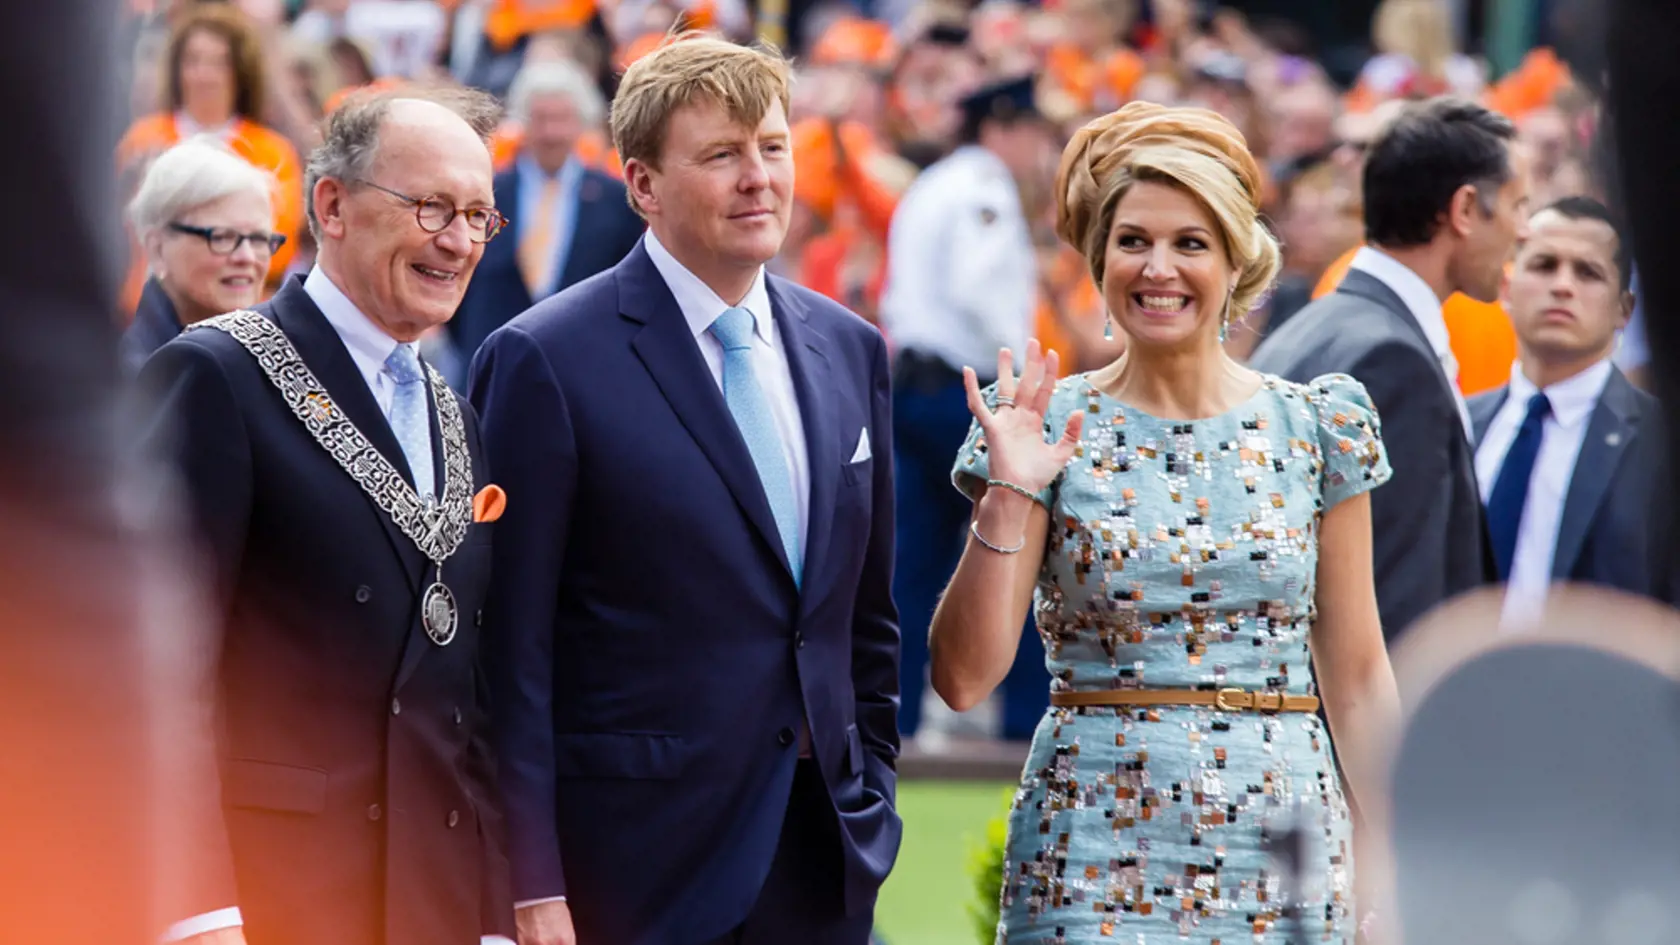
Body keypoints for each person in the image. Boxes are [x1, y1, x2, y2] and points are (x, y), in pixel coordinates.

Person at [930, 101, 1402, 943]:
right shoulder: (1042, 424)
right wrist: (1010, 489)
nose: (1158, 268)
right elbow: (964, 679)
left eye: (1190, 243)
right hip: (1091, 839)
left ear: (1235, 262)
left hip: (1286, 833)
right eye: (1133, 241)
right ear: (1100, 259)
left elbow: (1360, 675)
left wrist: (1404, 863)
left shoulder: (1318, 426)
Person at [469, 33, 900, 945]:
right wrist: (529, 879)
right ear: (641, 186)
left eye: (772, 148)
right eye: (721, 155)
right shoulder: (544, 358)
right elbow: (511, 652)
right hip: (631, 869)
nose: (759, 178)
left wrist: (873, 797)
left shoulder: (850, 347)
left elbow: (864, 616)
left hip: (822, 860)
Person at [135, 87, 516, 945]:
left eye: (477, 217)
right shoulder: (217, 376)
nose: (457, 241)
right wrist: (196, 910)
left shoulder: (456, 416)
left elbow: (465, 697)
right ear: (332, 206)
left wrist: (492, 920)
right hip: (276, 905)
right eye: (430, 207)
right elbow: (154, 673)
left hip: (434, 905)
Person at [1250, 97, 1529, 644]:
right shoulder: (1391, 361)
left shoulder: (1321, 326)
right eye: (1520, 205)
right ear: (1466, 209)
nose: (1524, 230)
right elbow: (1391, 610)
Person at [877, 74, 1056, 743]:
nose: (1038, 149)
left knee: (912, 565)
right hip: (972, 393)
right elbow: (979, 288)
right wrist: (1025, 365)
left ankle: (886, 731)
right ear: (1001, 127)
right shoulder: (984, 188)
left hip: (916, 387)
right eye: (1033, 133)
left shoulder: (934, 182)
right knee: (1023, 549)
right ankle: (1023, 728)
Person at [1470, 196, 1671, 619]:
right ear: (1506, 288)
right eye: (1544, 265)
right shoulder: (1459, 424)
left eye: (1588, 272)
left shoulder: (1662, 443)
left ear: (1624, 309)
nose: (1563, 286)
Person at [450, 58, 644, 373]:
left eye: (562, 119)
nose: (551, 133)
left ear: (581, 122)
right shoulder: (485, 192)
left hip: (587, 366)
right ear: (522, 124)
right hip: (495, 365)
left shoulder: (614, 199)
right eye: (540, 119)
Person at [121, 135, 285, 374]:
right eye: (222, 237)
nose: (247, 257)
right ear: (157, 248)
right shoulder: (136, 380)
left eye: (259, 239)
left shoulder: (279, 364)